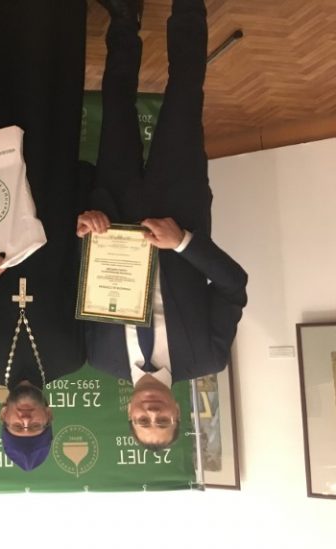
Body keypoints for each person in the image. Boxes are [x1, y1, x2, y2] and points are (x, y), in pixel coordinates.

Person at [76, 0, 248, 450]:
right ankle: (188, 8)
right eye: (162, 420)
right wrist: (183, 242)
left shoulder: (99, 357)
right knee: (184, 93)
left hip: (117, 209)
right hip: (179, 204)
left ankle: (124, 18)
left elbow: (83, 284)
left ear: (129, 413)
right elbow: (233, 286)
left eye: (143, 420)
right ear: (178, 412)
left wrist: (88, 230)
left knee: (115, 103)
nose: (151, 412)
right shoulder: (208, 357)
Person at [0, 0, 90, 470]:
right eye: (35, 426)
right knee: (50, 110)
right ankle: (52, 18)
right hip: (53, 207)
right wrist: (87, 226)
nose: (26, 420)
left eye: (17, 427)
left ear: (2, 417)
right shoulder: (73, 357)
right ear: (50, 417)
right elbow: (87, 284)